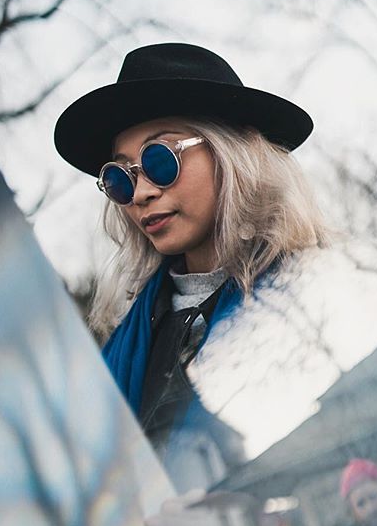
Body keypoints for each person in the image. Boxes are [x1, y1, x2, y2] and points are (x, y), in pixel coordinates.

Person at [54, 42, 330, 480]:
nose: (140, 193)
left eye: (159, 160)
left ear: (231, 155)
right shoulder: (127, 342)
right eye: (120, 178)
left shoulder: (318, 298)